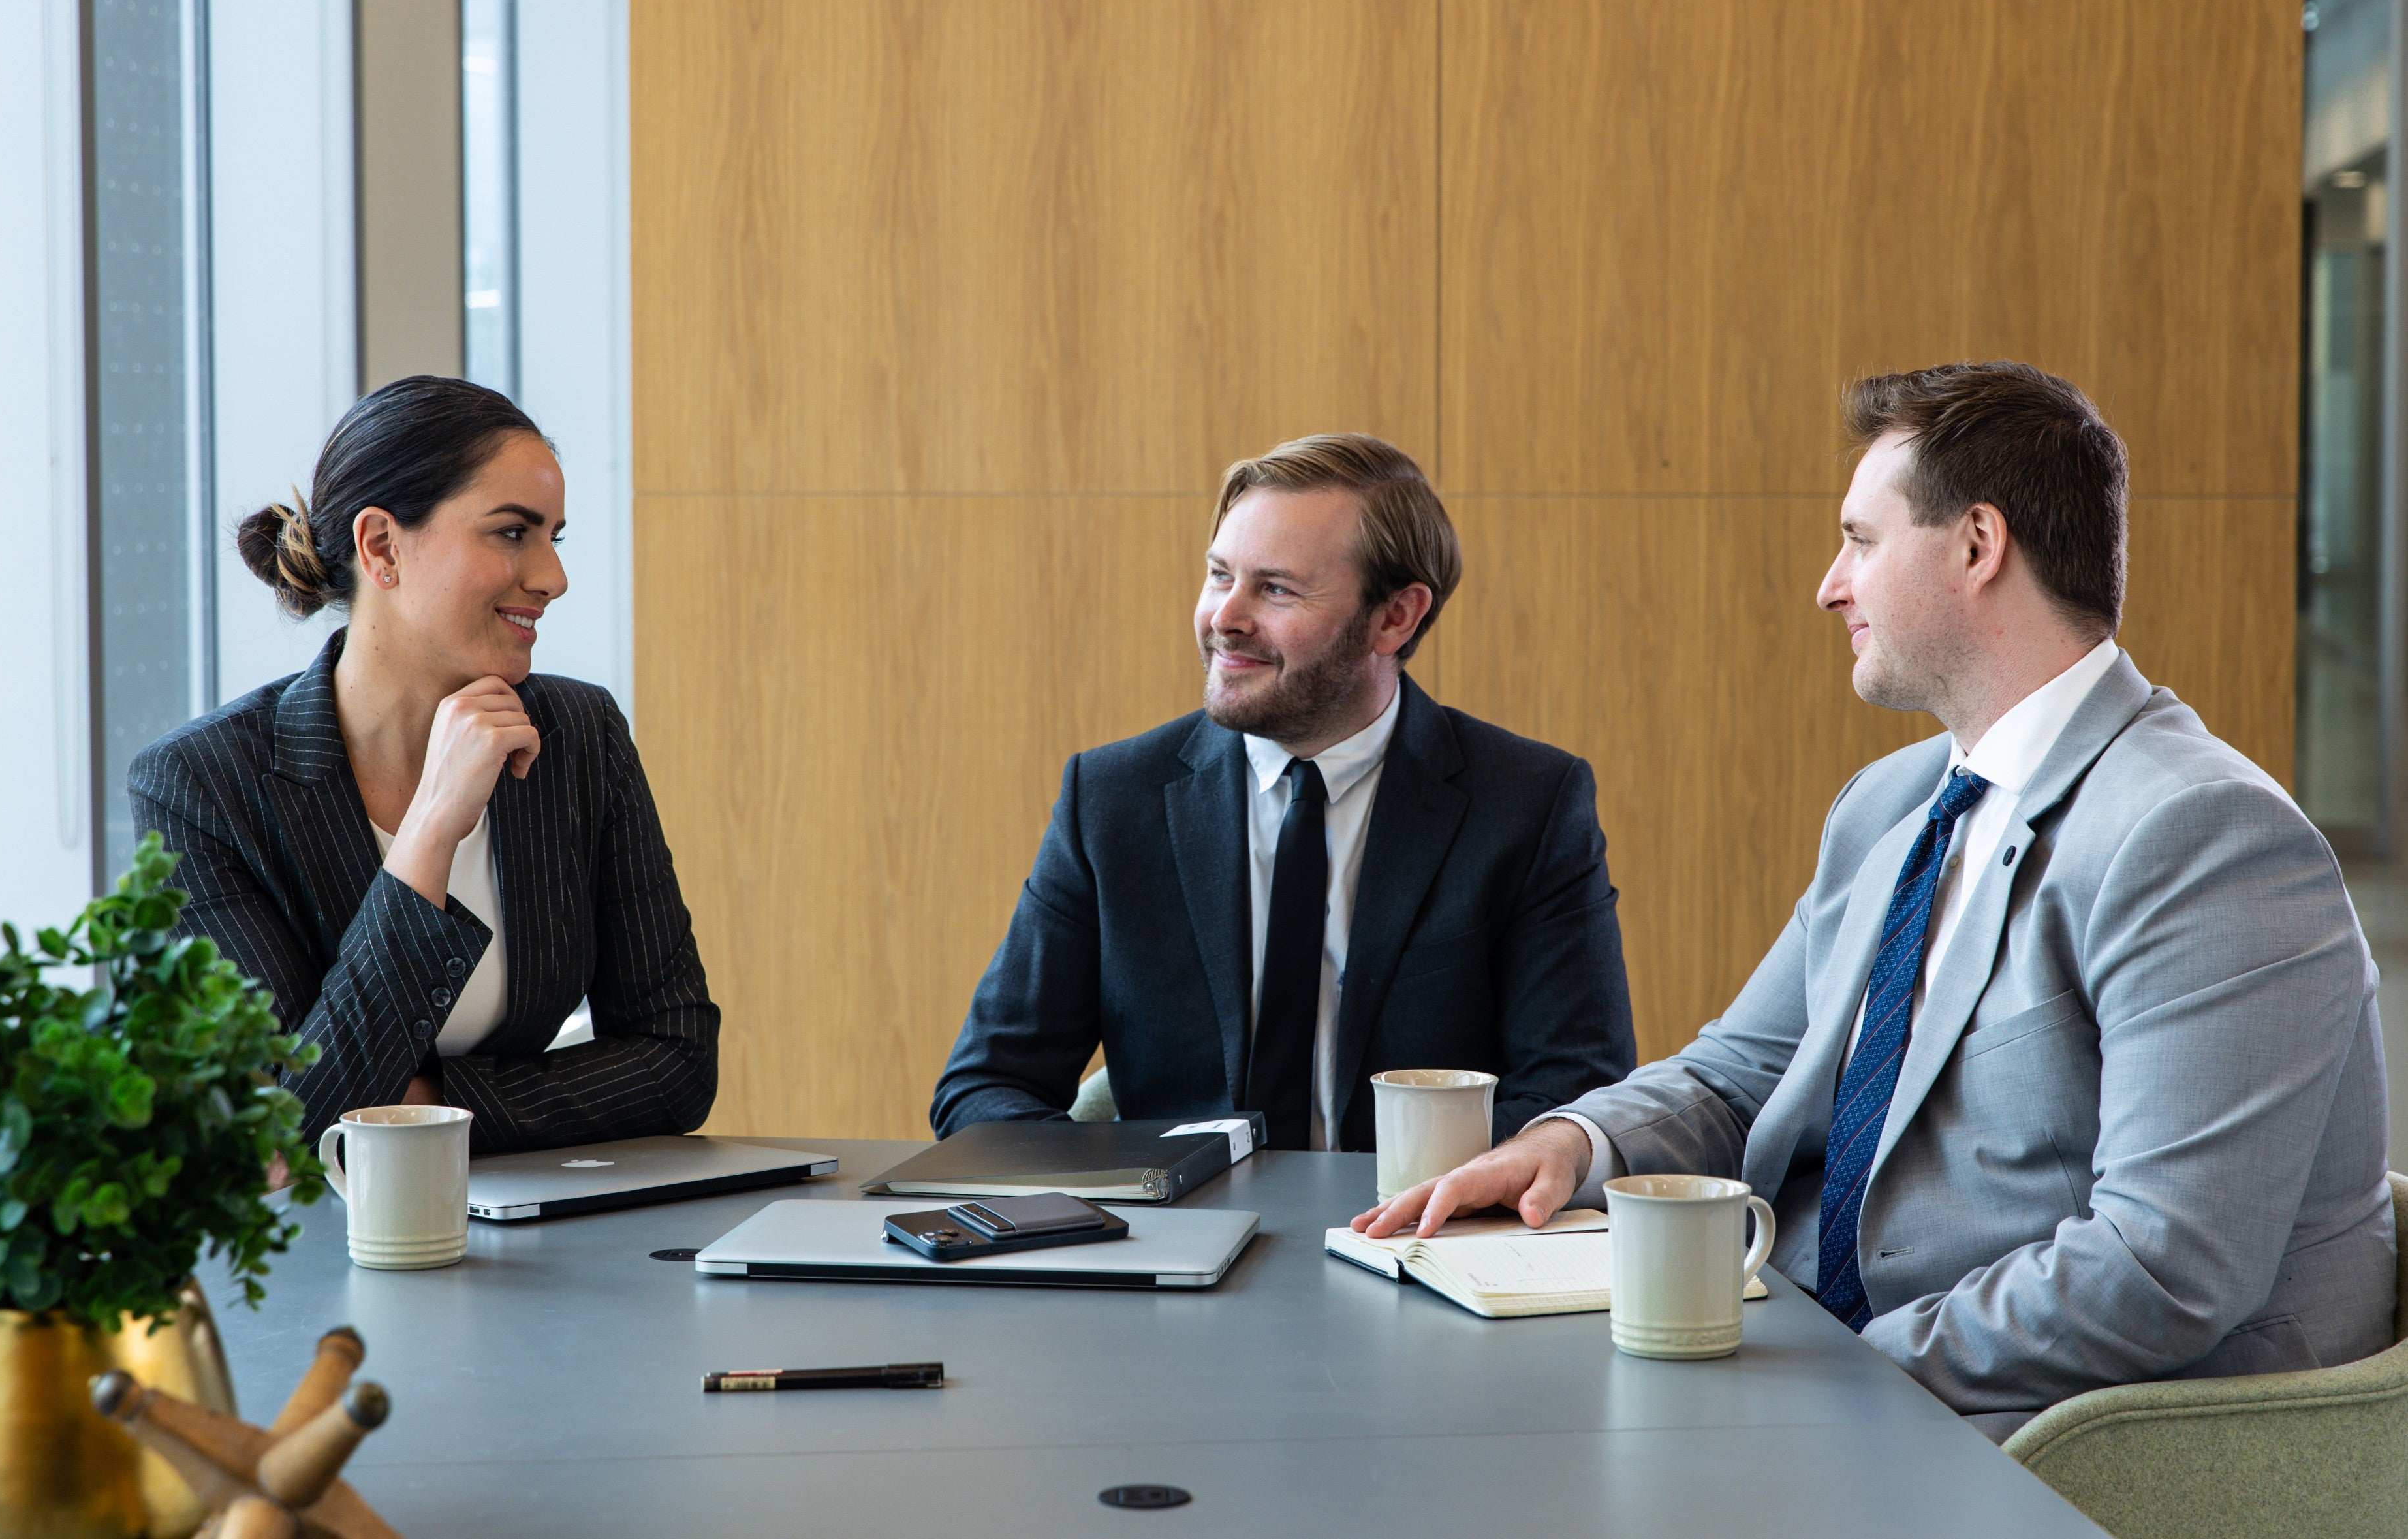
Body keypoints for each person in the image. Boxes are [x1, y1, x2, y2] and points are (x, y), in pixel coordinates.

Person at [1356, 362, 2394, 1436]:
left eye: (1860, 539)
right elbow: (1742, 1070)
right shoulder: (1896, 803)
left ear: (1977, 546)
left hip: (2077, 1431)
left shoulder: (2203, 833)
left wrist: (1815, 1369)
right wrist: (1573, 1143)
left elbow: (2160, 1268)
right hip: (1841, 1368)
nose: (1829, 584)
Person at [933, 434, 1635, 1150]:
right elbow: (986, 1087)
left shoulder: (1527, 803)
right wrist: (1133, 1199)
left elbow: (1576, 1093)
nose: (1223, 618)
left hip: (1416, 1237)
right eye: (1218, 576)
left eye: (1273, 589)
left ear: (1394, 617)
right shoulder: (1113, 799)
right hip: (1179, 1236)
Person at [129, 375, 719, 1154]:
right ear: (382, 547)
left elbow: (677, 1061)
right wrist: (432, 825)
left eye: (555, 537)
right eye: (513, 533)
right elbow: (284, 1134)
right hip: (316, 1260)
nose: (552, 577)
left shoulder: (579, 734)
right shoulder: (200, 786)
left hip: (543, 1240)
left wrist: (424, 1110)